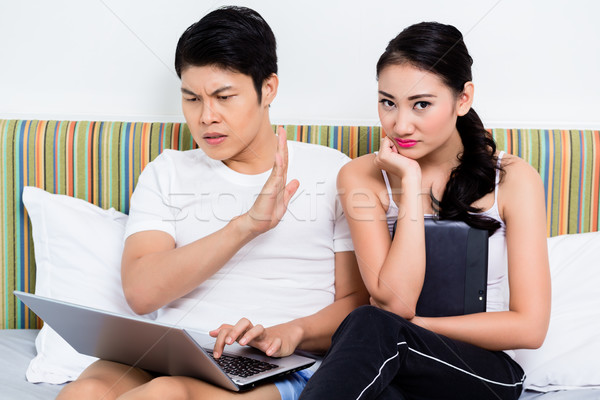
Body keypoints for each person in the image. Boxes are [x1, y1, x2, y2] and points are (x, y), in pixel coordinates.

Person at [57, 6, 367, 400]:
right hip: (169, 351)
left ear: (268, 88)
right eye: (191, 98)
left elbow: (357, 304)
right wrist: (245, 225)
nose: (206, 117)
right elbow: (141, 293)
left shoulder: (333, 171)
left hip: (271, 363)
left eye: (224, 97)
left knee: (165, 395)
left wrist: (292, 332)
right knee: (81, 393)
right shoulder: (167, 170)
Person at [299, 22, 551, 400]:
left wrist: (415, 326)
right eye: (388, 102)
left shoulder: (514, 179)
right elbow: (394, 300)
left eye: (421, 104)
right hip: (395, 359)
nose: (400, 125)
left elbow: (530, 328)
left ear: (462, 99)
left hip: (488, 370)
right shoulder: (360, 177)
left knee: (370, 324)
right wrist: (411, 187)